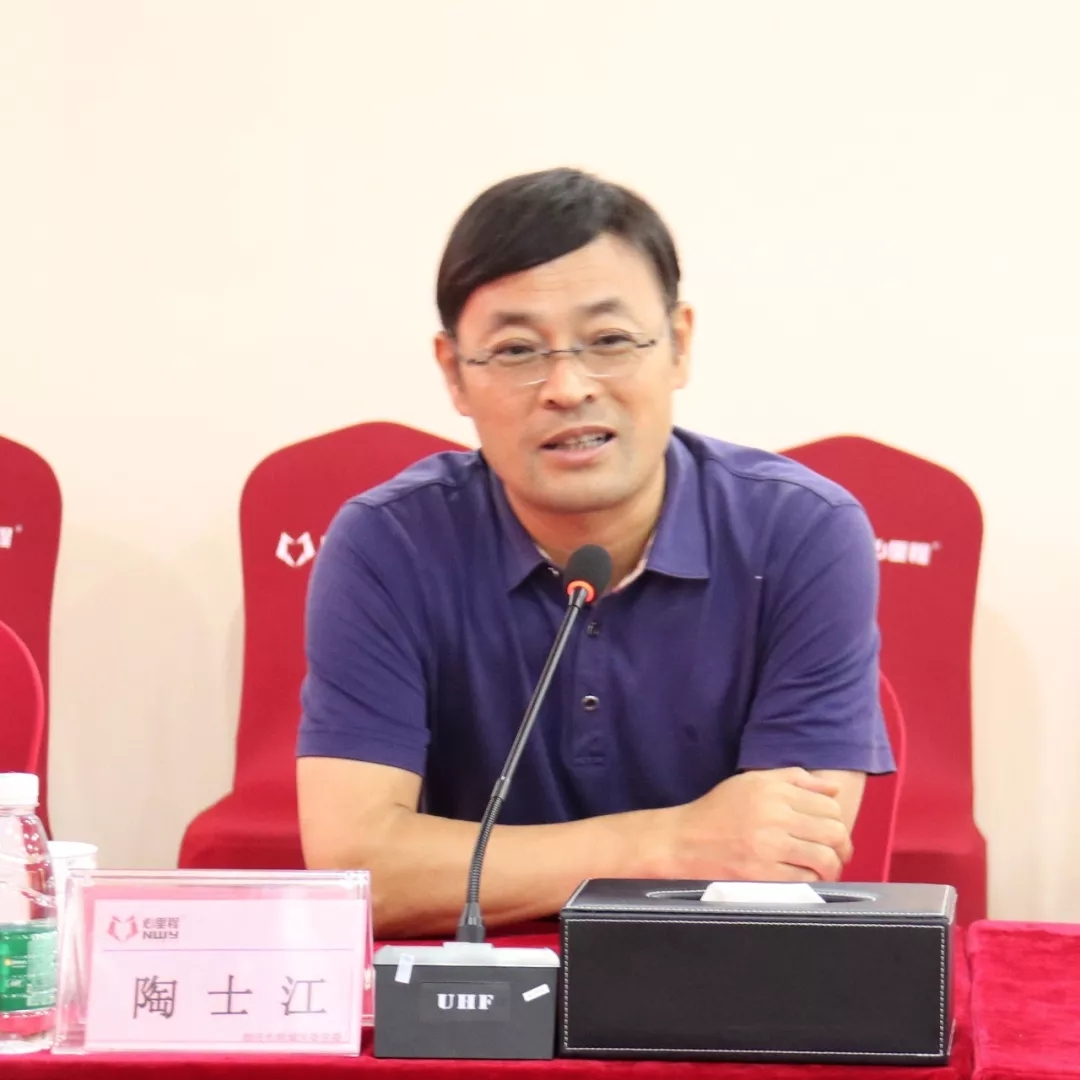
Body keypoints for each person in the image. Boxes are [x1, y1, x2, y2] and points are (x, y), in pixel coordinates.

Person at [296, 168, 895, 938]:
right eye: (516, 350)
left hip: (711, 970)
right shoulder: (389, 544)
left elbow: (783, 855)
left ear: (678, 345)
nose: (568, 387)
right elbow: (358, 873)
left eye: (609, 341)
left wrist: (479, 864)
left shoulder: (801, 533)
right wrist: (670, 844)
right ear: (454, 374)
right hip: (476, 984)